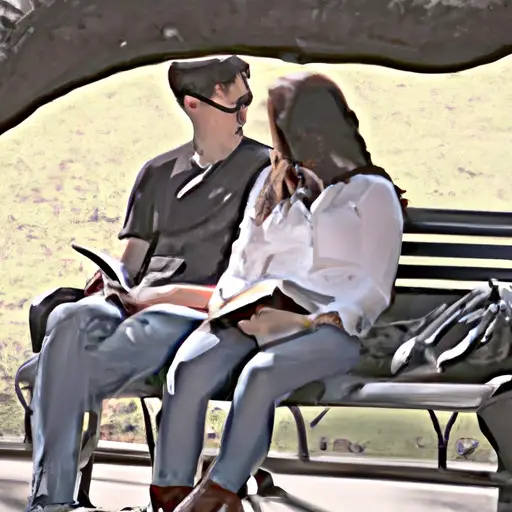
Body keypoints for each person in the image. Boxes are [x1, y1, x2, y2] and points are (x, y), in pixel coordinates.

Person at [149, 72, 406, 512]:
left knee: (260, 375)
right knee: (187, 369)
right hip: (252, 317)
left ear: (336, 124)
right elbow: (240, 265)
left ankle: (217, 496)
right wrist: (230, 305)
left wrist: (303, 320)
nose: (300, 138)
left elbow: (371, 289)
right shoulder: (271, 189)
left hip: (328, 331)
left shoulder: (372, 193)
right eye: (287, 126)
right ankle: (170, 496)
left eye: (309, 125)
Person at [24, 55, 271, 512]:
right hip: (136, 301)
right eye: (235, 105)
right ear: (193, 105)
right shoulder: (157, 172)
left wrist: (152, 297)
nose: (244, 115)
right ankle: (52, 501)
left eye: (247, 104)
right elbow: (132, 261)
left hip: (198, 310)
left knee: (74, 358)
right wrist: (108, 285)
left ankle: (51, 495)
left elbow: (251, 283)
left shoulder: (264, 170)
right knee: (68, 317)